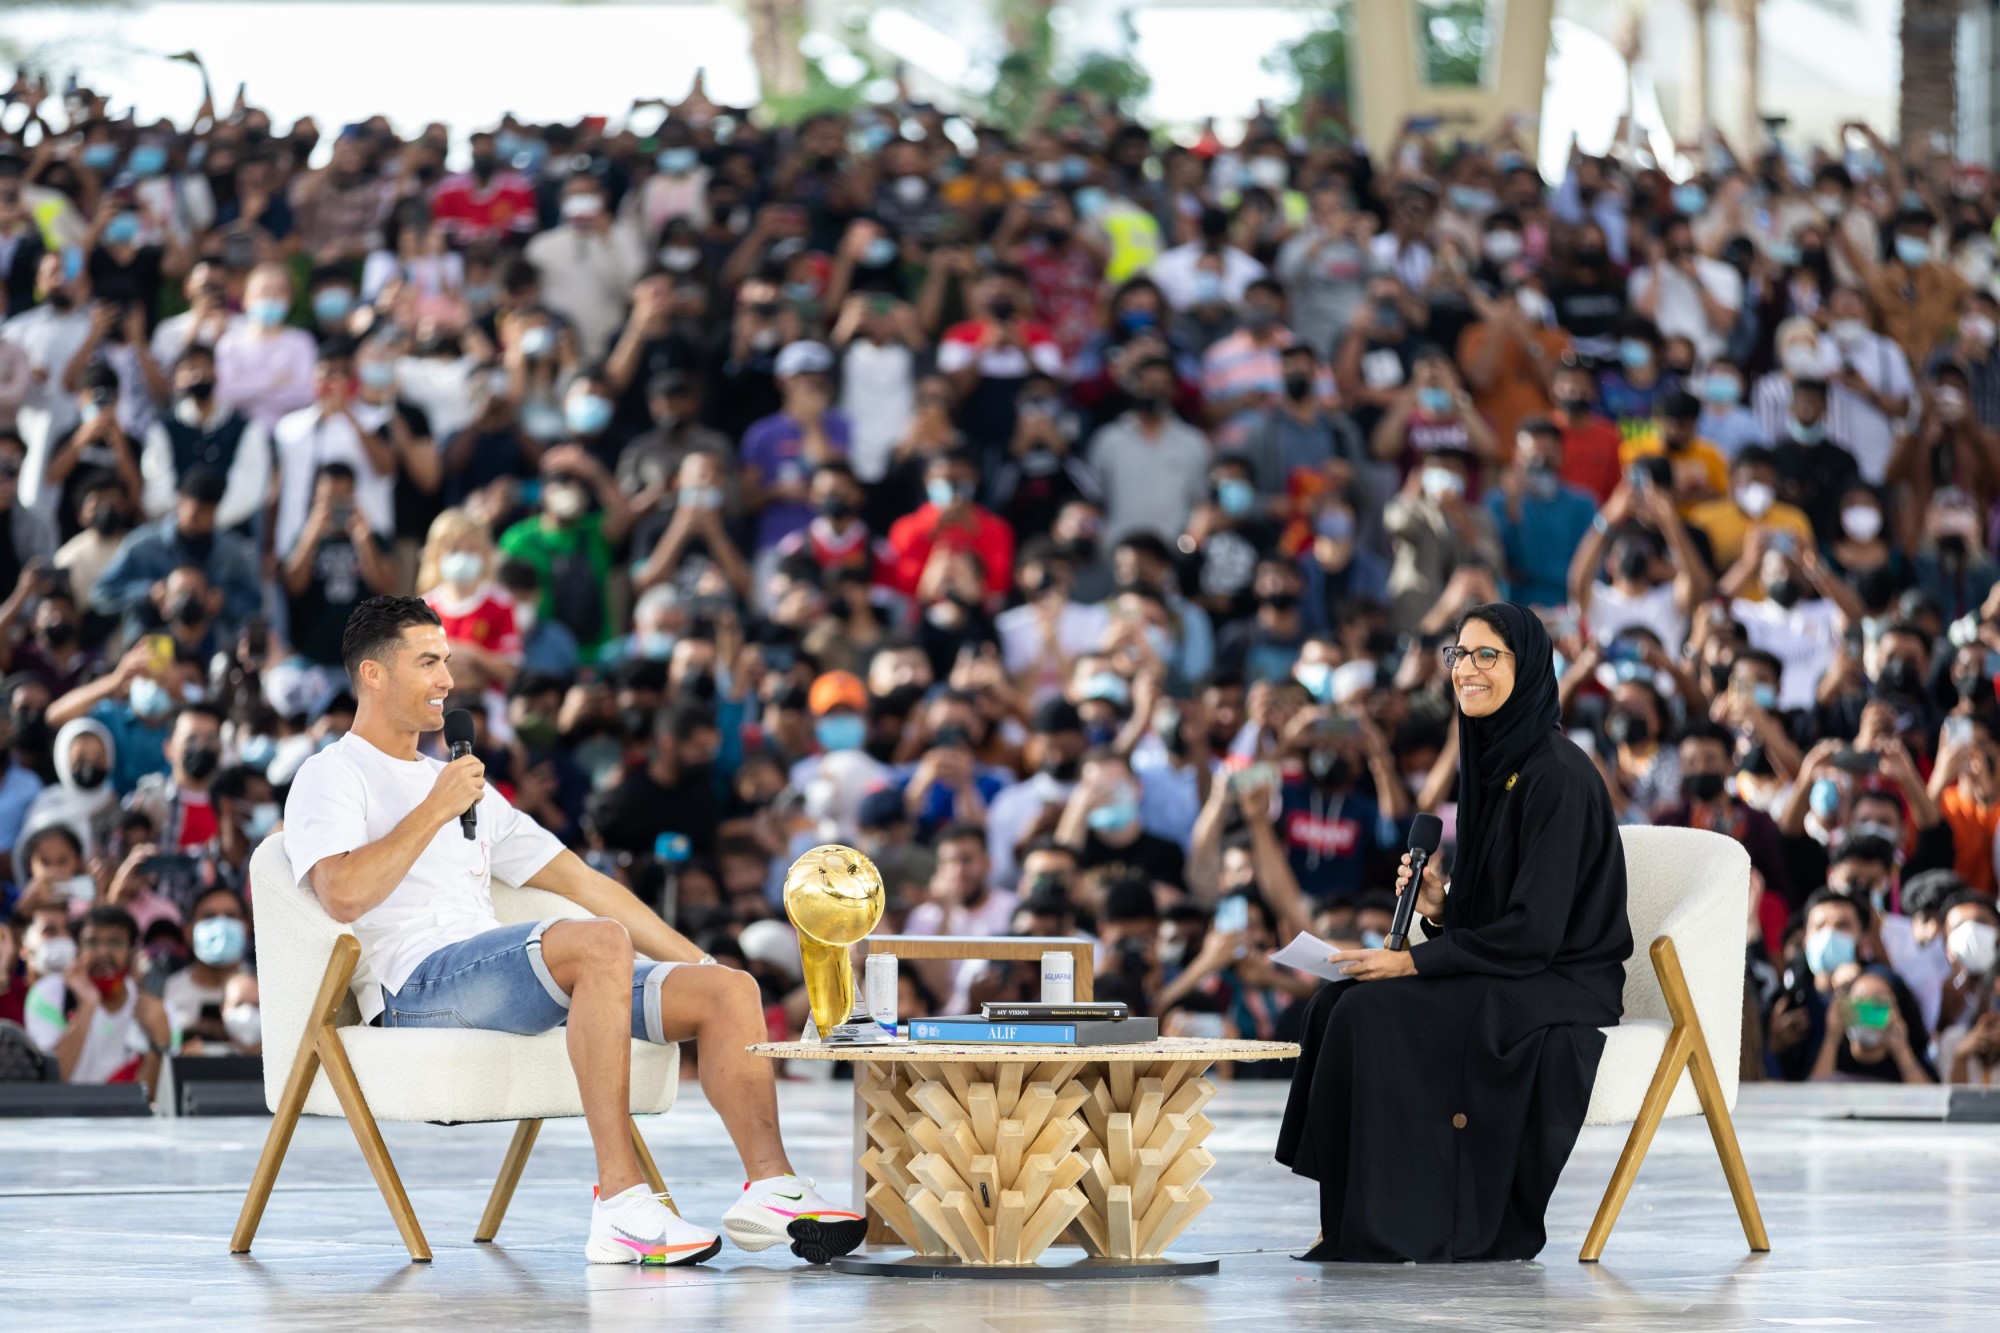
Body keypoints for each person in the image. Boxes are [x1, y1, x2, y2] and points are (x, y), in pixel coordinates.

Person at [281, 596, 865, 1266]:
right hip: (418, 988)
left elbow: (588, 885)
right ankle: (620, 1203)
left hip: (497, 974)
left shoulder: (462, 783)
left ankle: (771, 1187)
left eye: (446, 660)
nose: (447, 678)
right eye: (428, 661)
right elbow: (344, 893)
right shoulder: (332, 774)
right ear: (374, 675)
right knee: (598, 941)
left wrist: (701, 963)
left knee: (727, 990)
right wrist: (435, 808)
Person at [1276, 603, 1632, 1261]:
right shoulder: (1495, 764)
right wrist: (1439, 909)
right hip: (1519, 963)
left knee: (1371, 1011)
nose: (1466, 669)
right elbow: (1496, 917)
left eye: (1485, 654)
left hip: (1564, 982)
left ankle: (1400, 1224)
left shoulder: (1556, 774)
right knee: (1336, 1001)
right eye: (1458, 655)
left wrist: (1414, 962)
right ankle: (1353, 1213)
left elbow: (1535, 934)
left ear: (1526, 666)